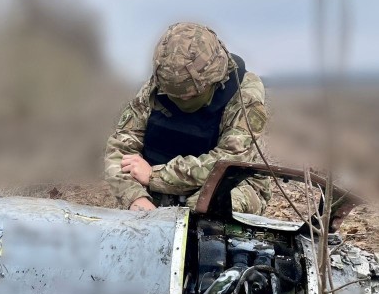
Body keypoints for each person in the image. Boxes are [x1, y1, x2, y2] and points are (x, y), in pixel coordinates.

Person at [104, 22, 271, 213]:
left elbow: (231, 160)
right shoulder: (156, 88)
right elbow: (120, 147)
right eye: (175, 96)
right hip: (160, 186)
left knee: (201, 216)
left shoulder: (244, 94)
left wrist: (155, 176)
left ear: (215, 79)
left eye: (191, 95)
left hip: (230, 185)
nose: (183, 101)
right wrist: (135, 198)